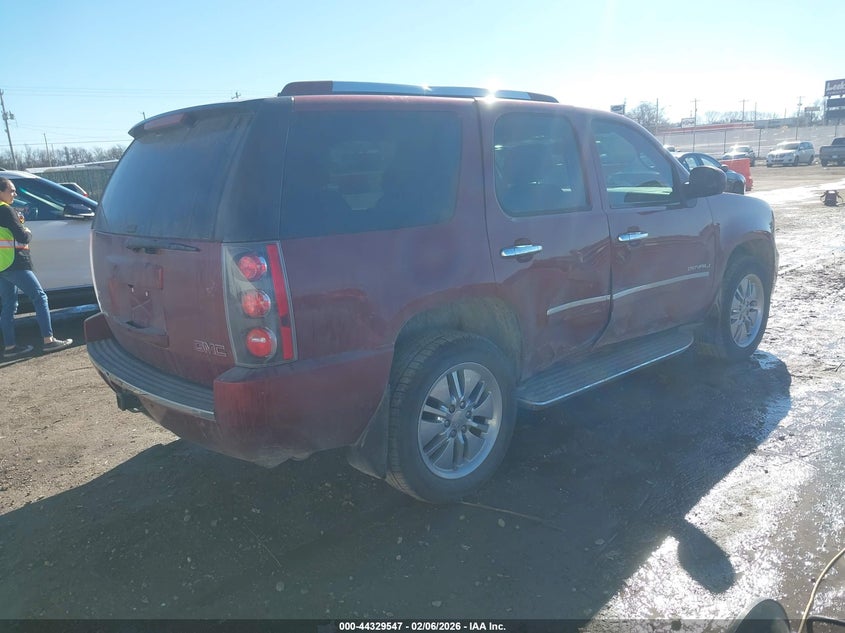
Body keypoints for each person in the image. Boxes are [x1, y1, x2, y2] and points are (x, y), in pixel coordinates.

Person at [0, 177, 72, 359]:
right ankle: (49, 340)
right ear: (1, 192)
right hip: (15, 262)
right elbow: (22, 237)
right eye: (12, 190)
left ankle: (10, 347)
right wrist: (27, 230)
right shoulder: (6, 210)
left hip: (2, 265)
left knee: (8, 305)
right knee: (39, 297)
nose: (15, 194)